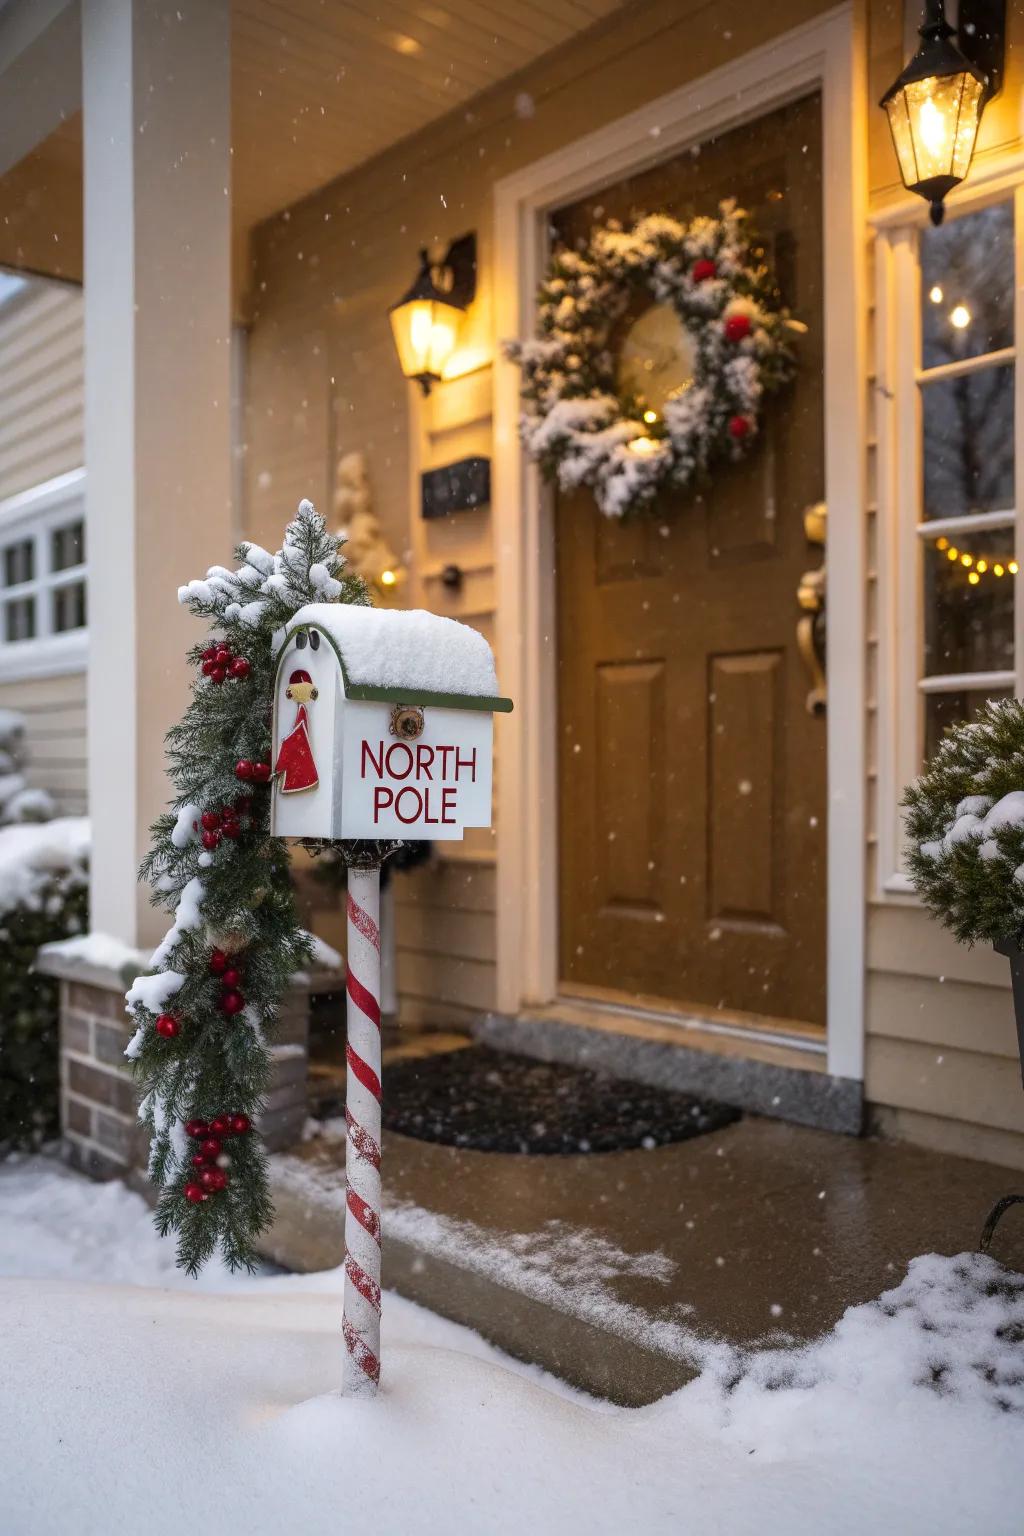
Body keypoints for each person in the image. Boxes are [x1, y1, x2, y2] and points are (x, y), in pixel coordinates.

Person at [275, 668, 319, 793]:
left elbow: (300, 728)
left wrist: (287, 741)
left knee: (300, 771)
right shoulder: (301, 708)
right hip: (300, 746)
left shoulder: (302, 709)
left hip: (300, 747)